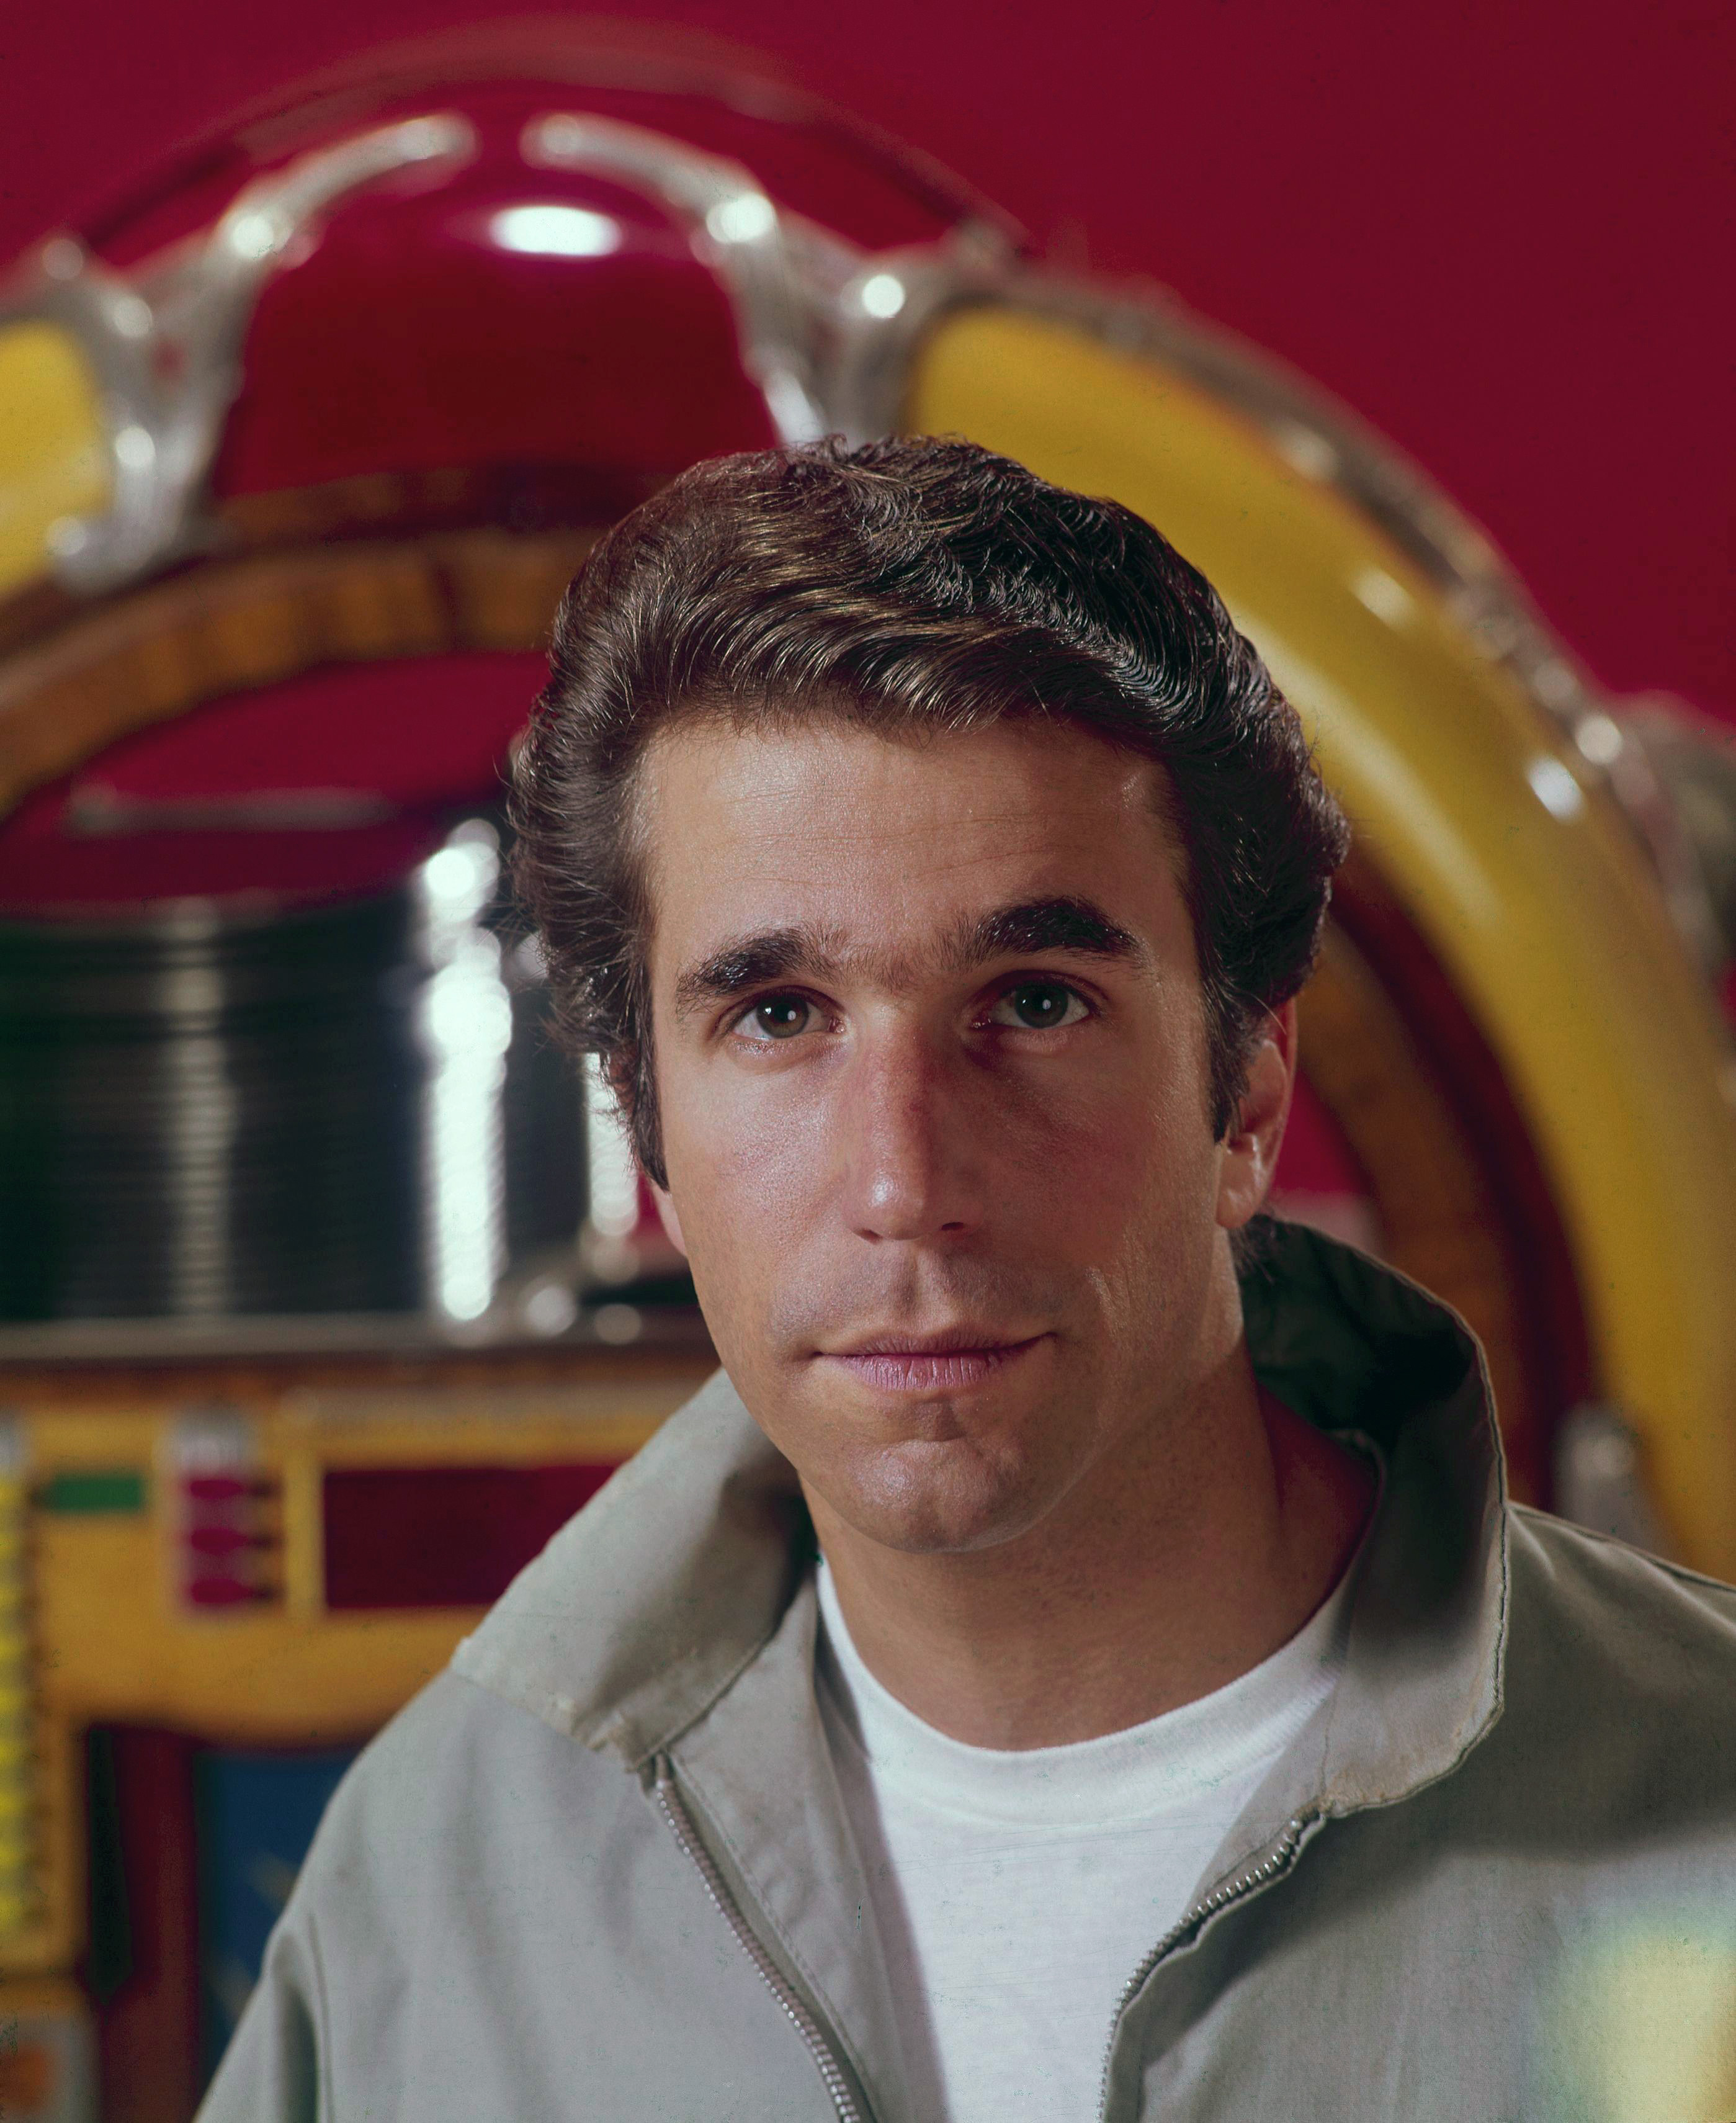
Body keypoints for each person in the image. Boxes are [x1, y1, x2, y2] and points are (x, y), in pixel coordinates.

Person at [200, 439, 1736, 2123]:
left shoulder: (1701, 1804)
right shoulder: (441, 1885)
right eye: (778, 1017)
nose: (903, 1185)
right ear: (650, 1135)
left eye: (1035, 1001)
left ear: (1248, 1097)